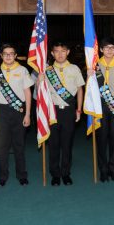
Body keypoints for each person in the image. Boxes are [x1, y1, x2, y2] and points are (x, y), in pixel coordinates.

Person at [0, 43, 32, 186]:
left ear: (15, 55)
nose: (8, 56)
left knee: (19, 144)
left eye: (11, 53)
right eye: (5, 53)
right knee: (3, 145)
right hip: (1, 110)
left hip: (19, 110)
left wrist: (27, 114)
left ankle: (22, 175)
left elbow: (27, 92)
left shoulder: (22, 70)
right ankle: (2, 176)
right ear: (1, 55)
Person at [43, 41, 84, 186]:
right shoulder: (46, 71)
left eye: (63, 51)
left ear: (68, 52)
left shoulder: (74, 69)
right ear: (52, 53)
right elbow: (40, 93)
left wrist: (79, 109)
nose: (60, 54)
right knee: (53, 144)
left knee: (67, 144)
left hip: (69, 110)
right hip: (52, 110)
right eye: (56, 51)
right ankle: (55, 174)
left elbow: (80, 90)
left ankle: (66, 173)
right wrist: (39, 82)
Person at [92, 37, 114, 182]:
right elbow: (89, 89)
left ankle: (113, 170)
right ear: (101, 49)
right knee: (101, 138)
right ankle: (103, 170)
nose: (109, 50)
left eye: (112, 48)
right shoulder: (94, 65)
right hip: (99, 104)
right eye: (106, 48)